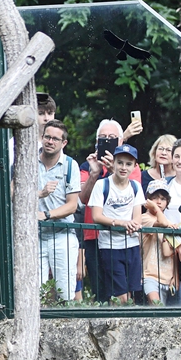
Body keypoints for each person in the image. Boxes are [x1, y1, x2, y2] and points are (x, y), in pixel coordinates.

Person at [88, 145, 145, 303]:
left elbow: (138, 216)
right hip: (110, 245)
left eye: (128, 164)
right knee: (121, 295)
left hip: (131, 243)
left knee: (131, 293)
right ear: (113, 163)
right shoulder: (102, 185)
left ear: (134, 166)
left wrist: (133, 224)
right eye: (120, 163)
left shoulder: (135, 186)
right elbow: (96, 216)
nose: (123, 167)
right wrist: (120, 223)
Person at [37, 120, 83, 304]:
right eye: (47, 137)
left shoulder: (71, 165)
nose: (50, 141)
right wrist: (39, 194)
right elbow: (12, 192)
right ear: (42, 138)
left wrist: (47, 215)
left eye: (55, 139)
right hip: (35, 236)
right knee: (35, 292)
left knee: (65, 291)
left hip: (63, 234)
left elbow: (72, 206)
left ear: (63, 143)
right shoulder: (27, 161)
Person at [140, 181, 180, 305]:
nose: (159, 202)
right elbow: (162, 224)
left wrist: (176, 276)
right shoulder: (144, 218)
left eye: (163, 199)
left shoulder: (169, 221)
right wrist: (156, 209)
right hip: (150, 274)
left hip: (168, 277)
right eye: (154, 198)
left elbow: (174, 251)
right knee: (156, 306)